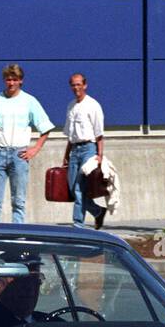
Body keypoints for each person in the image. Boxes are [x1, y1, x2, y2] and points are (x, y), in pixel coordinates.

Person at [0, 64, 54, 224]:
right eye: (8, 79)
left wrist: (35, 148)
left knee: (18, 202)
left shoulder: (29, 101)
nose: (11, 83)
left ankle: (17, 241)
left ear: (20, 81)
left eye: (14, 79)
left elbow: (45, 127)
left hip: (19, 154)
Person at [62, 73, 106, 229]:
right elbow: (70, 135)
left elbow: (99, 133)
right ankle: (98, 211)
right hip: (75, 150)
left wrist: (99, 155)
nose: (76, 88)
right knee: (73, 189)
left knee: (80, 188)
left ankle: (78, 225)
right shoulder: (71, 106)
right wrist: (66, 155)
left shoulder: (93, 105)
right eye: (73, 85)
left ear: (85, 85)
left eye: (79, 84)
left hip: (88, 149)